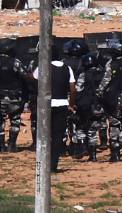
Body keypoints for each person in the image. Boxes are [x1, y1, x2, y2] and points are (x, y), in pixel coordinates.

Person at [33, 43, 76, 172]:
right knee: (57, 136)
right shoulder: (67, 68)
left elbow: (34, 79)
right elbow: (73, 90)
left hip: (46, 105)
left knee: (44, 135)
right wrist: (71, 104)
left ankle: (42, 164)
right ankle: (53, 165)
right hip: (62, 104)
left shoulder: (43, 67)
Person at [0, 38, 28, 152]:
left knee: (0, 121)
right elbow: (25, 76)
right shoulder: (16, 62)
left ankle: (1, 146)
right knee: (15, 120)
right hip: (14, 97)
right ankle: (11, 145)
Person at [74, 52, 106, 161]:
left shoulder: (84, 75)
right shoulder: (103, 74)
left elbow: (78, 89)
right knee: (93, 130)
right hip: (99, 106)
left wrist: (75, 103)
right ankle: (93, 155)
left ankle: (82, 146)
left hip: (85, 105)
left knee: (80, 127)